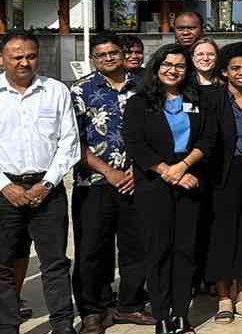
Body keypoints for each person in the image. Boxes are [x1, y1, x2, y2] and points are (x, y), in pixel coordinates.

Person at [124, 44, 219, 334]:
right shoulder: (139, 102)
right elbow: (136, 143)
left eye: (179, 65)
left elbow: (209, 138)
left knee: (185, 251)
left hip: (191, 179)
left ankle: (181, 314)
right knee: (159, 251)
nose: (172, 70)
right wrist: (169, 172)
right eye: (167, 64)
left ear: (187, 70)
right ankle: (162, 316)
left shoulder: (199, 99)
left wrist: (184, 167)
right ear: (156, 67)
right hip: (154, 183)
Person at [0, 33, 80, 334]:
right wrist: (5, 186)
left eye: (30, 56)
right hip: (4, 191)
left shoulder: (55, 90)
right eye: (16, 56)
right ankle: (7, 326)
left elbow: (69, 141)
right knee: (2, 264)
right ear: (2, 59)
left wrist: (46, 184)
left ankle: (62, 325)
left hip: (48, 190)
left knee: (55, 262)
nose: (24, 62)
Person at [69, 32, 149, 334]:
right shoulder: (80, 90)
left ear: (122, 54)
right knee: (92, 249)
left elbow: (156, 132)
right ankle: (93, 309)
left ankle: (130, 304)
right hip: (93, 182)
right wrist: (108, 172)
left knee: (135, 246)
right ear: (93, 59)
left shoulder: (144, 86)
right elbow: (72, 139)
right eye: (101, 55)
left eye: (113, 53)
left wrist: (138, 169)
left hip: (137, 180)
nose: (108, 58)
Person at [206, 43, 242, 324]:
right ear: (225, 71)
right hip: (221, 176)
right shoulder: (211, 98)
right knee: (222, 236)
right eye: (235, 68)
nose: (241, 72)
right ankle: (223, 298)